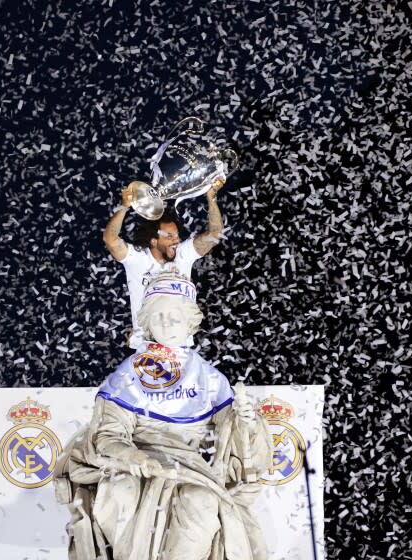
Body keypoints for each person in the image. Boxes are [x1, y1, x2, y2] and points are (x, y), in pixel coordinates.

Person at [54, 272, 271, 560]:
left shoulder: (210, 379)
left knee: (201, 501)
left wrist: (247, 421)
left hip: (192, 469)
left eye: (176, 317)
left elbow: (234, 444)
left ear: (190, 322)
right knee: (118, 492)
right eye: (159, 317)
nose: (167, 323)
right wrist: (135, 459)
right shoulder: (128, 375)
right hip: (137, 466)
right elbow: (107, 436)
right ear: (147, 323)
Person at [103, 179, 225, 348]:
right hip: (146, 349)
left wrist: (211, 197)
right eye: (169, 236)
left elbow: (215, 233)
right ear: (153, 241)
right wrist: (124, 207)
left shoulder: (184, 254)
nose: (175, 241)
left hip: (181, 348)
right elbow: (110, 239)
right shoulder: (137, 258)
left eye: (176, 236)